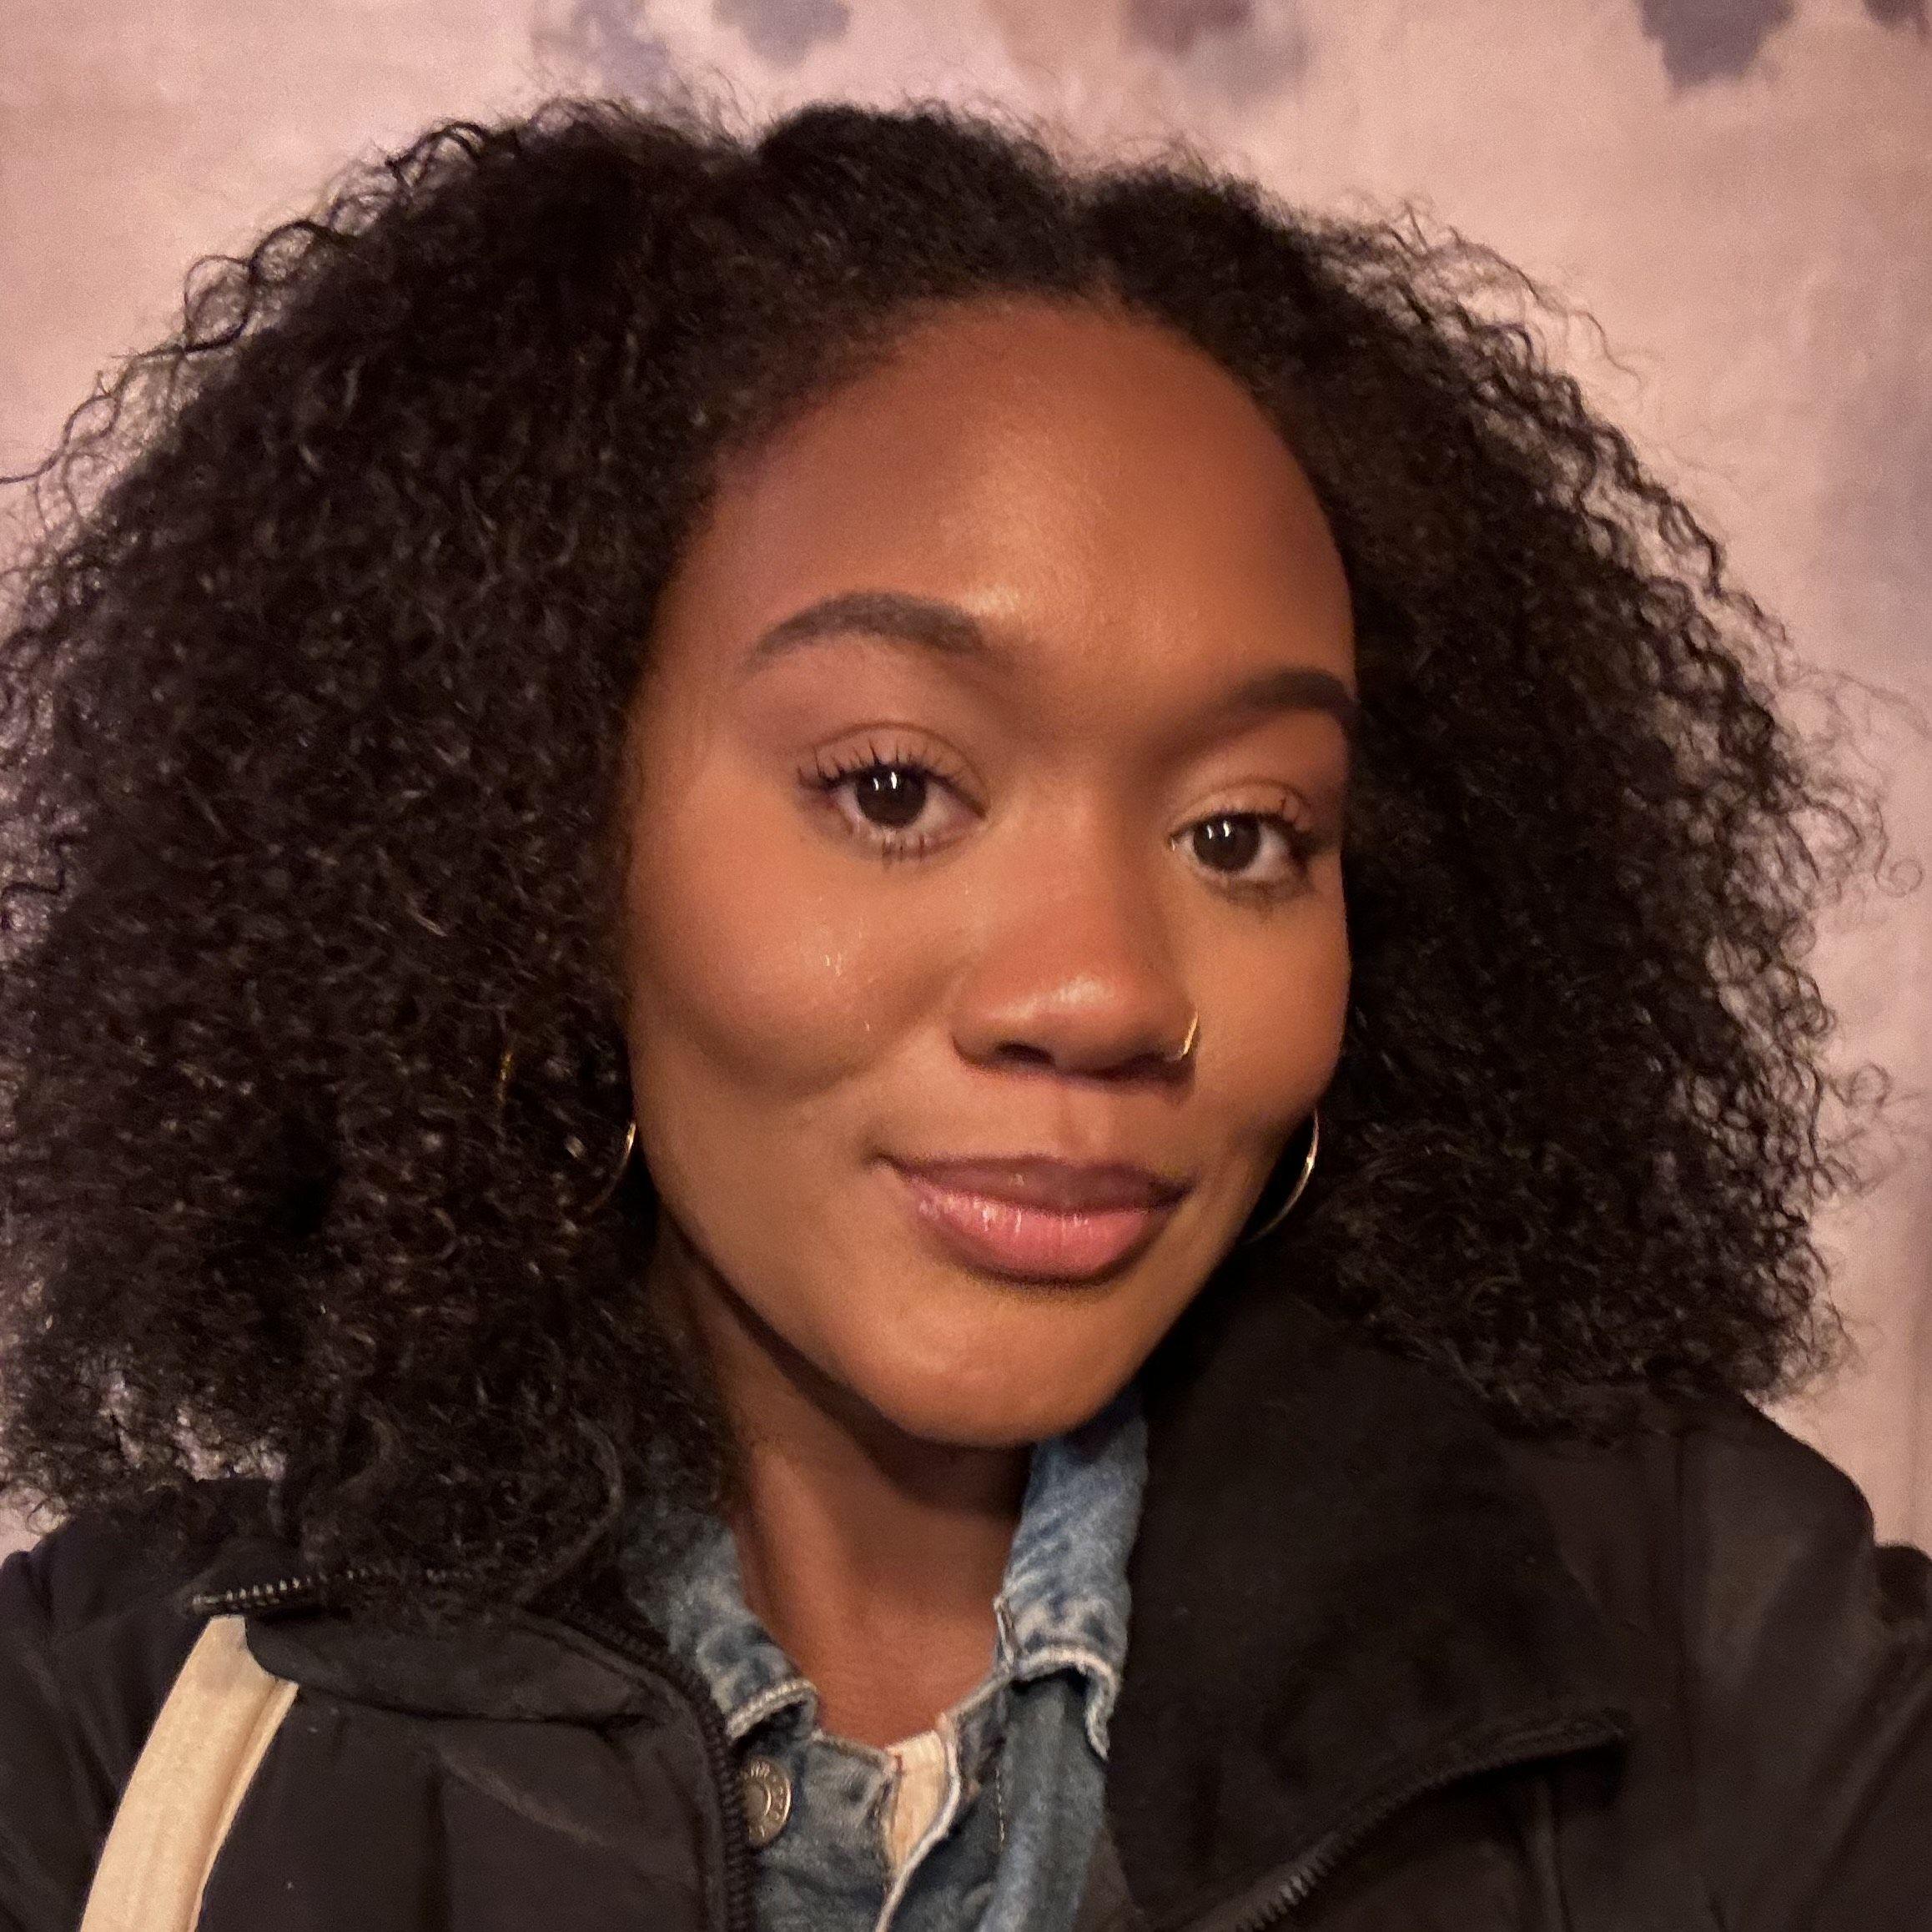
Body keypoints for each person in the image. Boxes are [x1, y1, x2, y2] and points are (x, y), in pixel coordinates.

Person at [0, 95, 1924, 1932]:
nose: (1103, 992)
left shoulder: (1722, 1645)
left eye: (1244, 834)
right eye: (896, 789)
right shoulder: (116, 1738)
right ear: (537, 836)